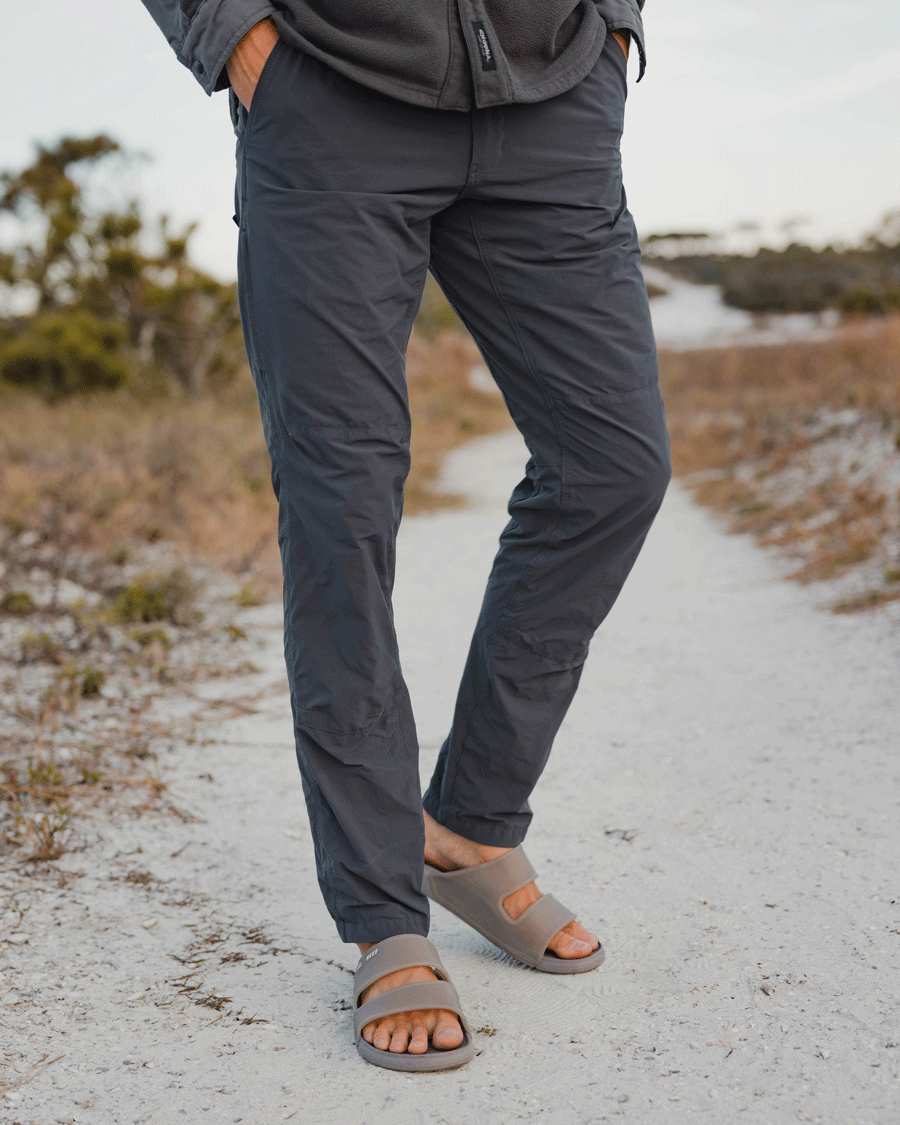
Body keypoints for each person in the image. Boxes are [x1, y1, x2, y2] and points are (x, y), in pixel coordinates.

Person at [139, 0, 669, 1071]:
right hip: (326, 92)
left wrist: (613, 25)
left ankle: (469, 824)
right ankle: (386, 911)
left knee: (615, 467)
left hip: (553, 89)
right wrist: (233, 31)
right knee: (342, 506)